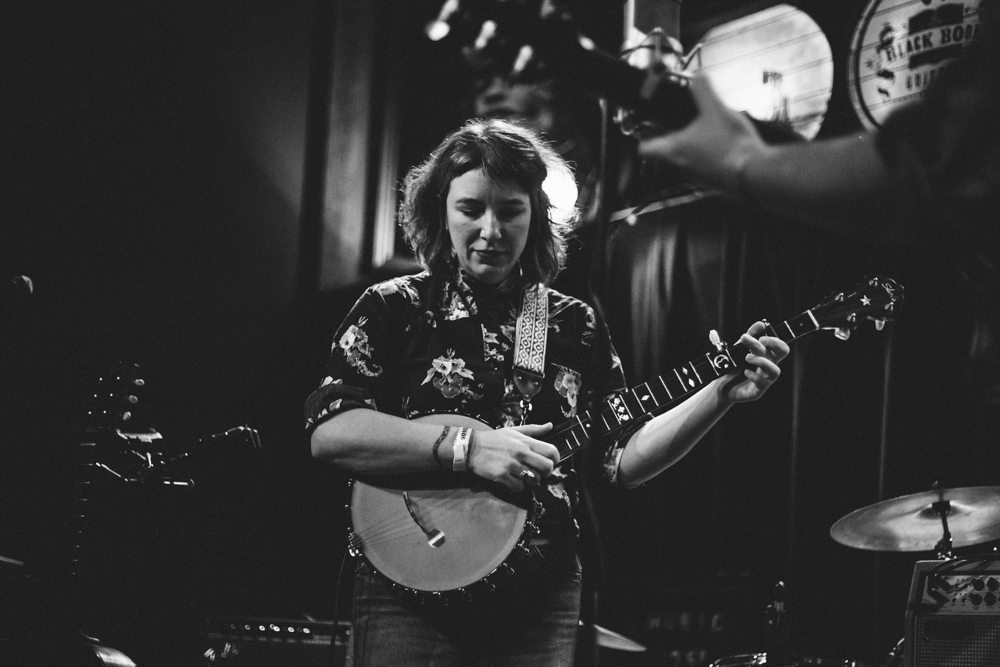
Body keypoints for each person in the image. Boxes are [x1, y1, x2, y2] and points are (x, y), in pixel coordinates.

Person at [304, 118, 788, 666]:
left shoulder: (572, 324)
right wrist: (468, 448)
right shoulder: (393, 307)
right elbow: (331, 430)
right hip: (406, 589)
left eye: (510, 211)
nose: (492, 230)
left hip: (538, 589)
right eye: (471, 209)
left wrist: (719, 395)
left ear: (535, 216)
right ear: (441, 210)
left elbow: (622, 459)